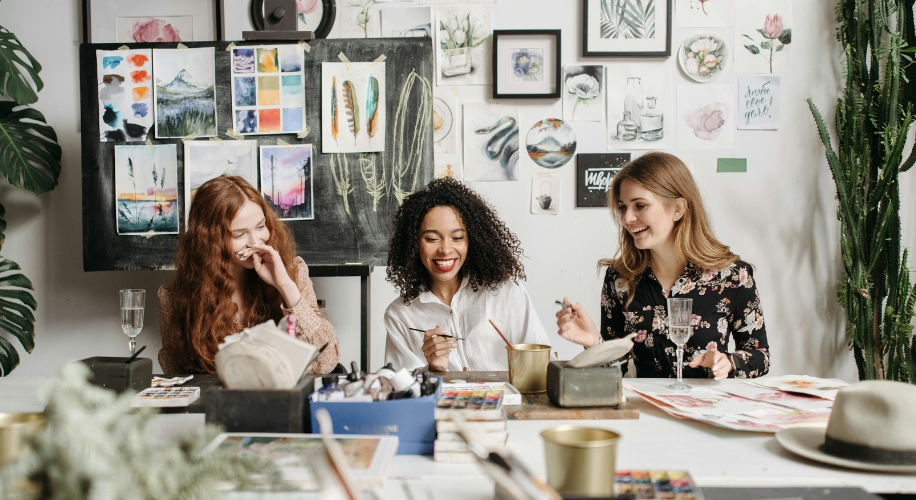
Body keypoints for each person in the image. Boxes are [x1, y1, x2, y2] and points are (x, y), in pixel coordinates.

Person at [556, 152, 770, 379]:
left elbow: (760, 356)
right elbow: (615, 374)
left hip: (707, 410)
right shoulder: (619, 279)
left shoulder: (732, 275)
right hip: (646, 411)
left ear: (678, 209)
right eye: (622, 207)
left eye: (640, 205)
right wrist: (593, 344)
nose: (627, 218)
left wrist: (728, 361)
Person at [158, 176, 339, 374]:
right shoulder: (174, 298)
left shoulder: (294, 273)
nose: (256, 242)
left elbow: (325, 363)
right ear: (209, 241)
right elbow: (178, 376)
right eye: (239, 234)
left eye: (261, 227)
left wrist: (285, 286)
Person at [385, 177, 549, 371]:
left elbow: (544, 366)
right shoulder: (400, 314)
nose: (445, 249)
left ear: (473, 240)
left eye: (457, 238)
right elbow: (400, 388)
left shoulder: (507, 293)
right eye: (432, 238)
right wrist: (432, 370)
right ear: (414, 244)